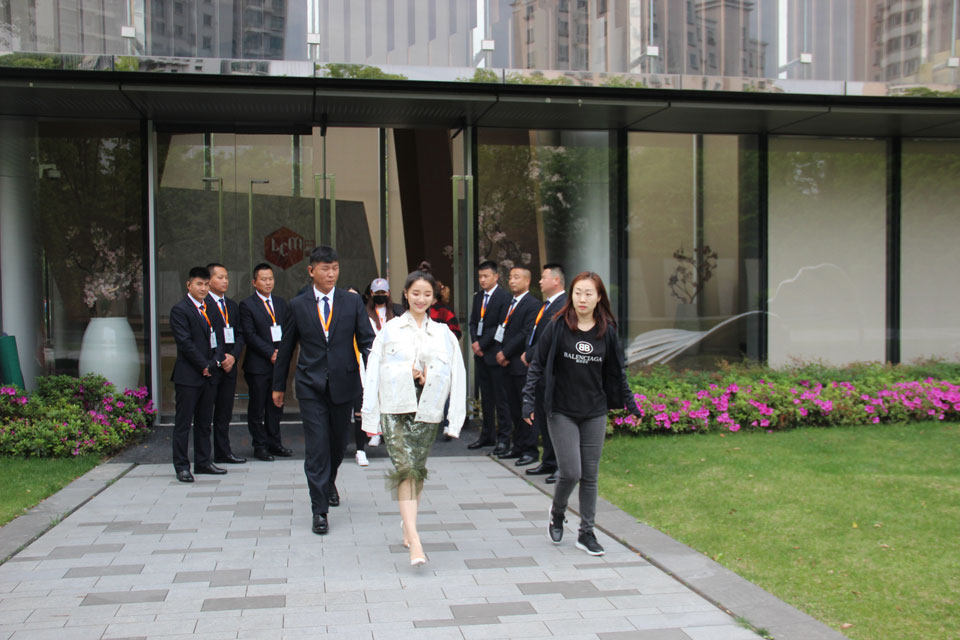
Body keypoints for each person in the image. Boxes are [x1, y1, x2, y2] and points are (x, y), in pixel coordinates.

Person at [522, 271, 641, 556]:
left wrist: (631, 404)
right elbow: (537, 364)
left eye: (589, 293)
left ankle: (586, 532)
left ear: (599, 297)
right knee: (571, 471)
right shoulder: (557, 326)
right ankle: (557, 511)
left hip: (594, 411)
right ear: (571, 295)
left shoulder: (607, 331)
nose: (582, 299)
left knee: (590, 475)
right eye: (578, 293)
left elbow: (617, 372)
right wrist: (528, 400)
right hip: (561, 409)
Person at [361, 262, 466, 567]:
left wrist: (453, 417)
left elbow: (456, 375)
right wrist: (370, 415)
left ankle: (408, 525)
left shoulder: (443, 333)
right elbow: (374, 371)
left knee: (417, 470)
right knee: (406, 469)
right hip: (395, 408)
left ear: (434, 297)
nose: (421, 299)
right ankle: (415, 540)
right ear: (405, 294)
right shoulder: (390, 330)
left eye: (427, 294)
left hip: (427, 409)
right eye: (415, 293)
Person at [272, 246, 376, 535]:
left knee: (338, 445)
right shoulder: (298, 304)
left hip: (345, 383)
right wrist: (278, 386)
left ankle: (328, 481)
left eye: (335, 269)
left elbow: (367, 341)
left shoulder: (351, 302)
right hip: (311, 384)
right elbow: (286, 348)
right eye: (325, 269)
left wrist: (377, 379)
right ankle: (319, 510)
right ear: (311, 271)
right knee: (317, 447)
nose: (331, 274)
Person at [169, 266, 224, 483]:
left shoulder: (211, 308)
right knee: (184, 423)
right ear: (189, 285)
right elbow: (185, 343)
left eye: (206, 284)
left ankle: (203, 461)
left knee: (204, 422)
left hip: (209, 374)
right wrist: (203, 365)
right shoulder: (180, 310)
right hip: (189, 376)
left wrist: (214, 363)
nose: (203, 288)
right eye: (199, 284)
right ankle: (182, 466)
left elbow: (219, 338)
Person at [239, 263, 292, 462]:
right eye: (263, 279)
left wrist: (282, 353)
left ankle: (274, 443)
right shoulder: (247, 305)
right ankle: (259, 446)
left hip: (278, 364)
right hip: (258, 365)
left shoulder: (280, 303)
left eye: (270, 279)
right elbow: (250, 335)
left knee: (276, 405)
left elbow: (288, 330)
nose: (268, 282)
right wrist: (270, 353)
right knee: (258, 406)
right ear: (254, 282)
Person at [522, 263, 567, 484]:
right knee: (542, 416)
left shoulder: (562, 305)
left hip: (552, 370)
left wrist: (530, 354)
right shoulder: (546, 305)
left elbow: (548, 339)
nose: (540, 281)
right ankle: (548, 460)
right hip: (540, 369)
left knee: (555, 419)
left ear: (556, 281)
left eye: (543, 277)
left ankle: (560, 465)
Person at [493, 266, 541, 465]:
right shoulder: (508, 303)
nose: (512, 281)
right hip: (506, 364)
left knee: (525, 407)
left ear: (527, 281)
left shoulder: (533, 304)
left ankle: (530, 450)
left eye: (517, 277)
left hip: (520, 363)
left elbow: (525, 333)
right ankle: (518, 446)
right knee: (512, 406)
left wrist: (505, 352)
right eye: (511, 277)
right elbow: (501, 328)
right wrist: (499, 350)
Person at [466, 261, 511, 453]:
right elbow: (473, 322)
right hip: (480, 355)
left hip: (495, 353)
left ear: (496, 277)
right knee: (486, 398)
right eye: (480, 277)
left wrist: (482, 344)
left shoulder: (504, 297)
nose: (482, 280)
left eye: (486, 276)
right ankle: (487, 435)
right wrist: (475, 342)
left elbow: (500, 326)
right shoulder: (478, 297)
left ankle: (504, 438)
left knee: (501, 398)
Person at [205, 263, 246, 465]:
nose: (225, 281)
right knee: (206, 413)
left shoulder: (231, 305)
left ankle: (224, 451)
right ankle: (204, 456)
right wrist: (220, 358)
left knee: (224, 411)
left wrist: (233, 356)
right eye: (220, 277)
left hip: (229, 365)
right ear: (209, 280)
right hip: (212, 365)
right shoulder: (203, 304)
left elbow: (240, 334)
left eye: (226, 277)